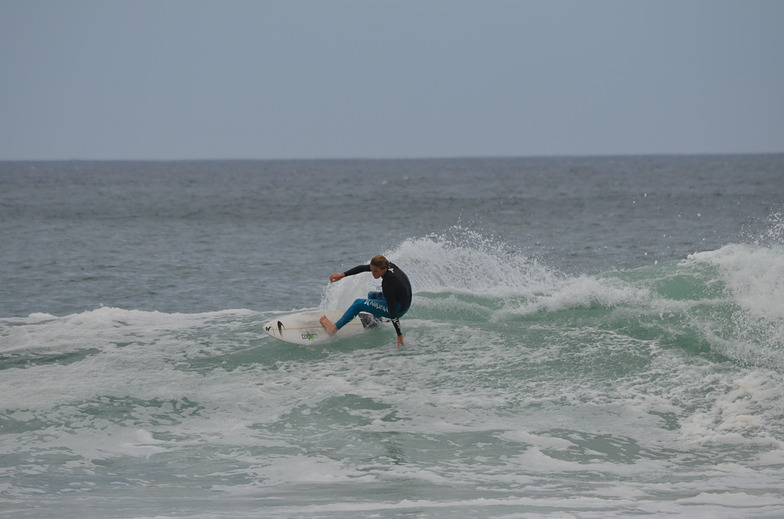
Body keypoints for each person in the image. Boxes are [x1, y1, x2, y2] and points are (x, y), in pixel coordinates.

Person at [320, 255, 412, 347]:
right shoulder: (388, 265)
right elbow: (362, 268)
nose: (373, 273)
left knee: (358, 304)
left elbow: (392, 309)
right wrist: (342, 275)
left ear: (383, 269)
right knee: (371, 295)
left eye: (375, 271)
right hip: (401, 300)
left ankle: (333, 329)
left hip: (398, 308)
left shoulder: (388, 282)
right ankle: (376, 324)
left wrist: (399, 335)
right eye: (372, 270)